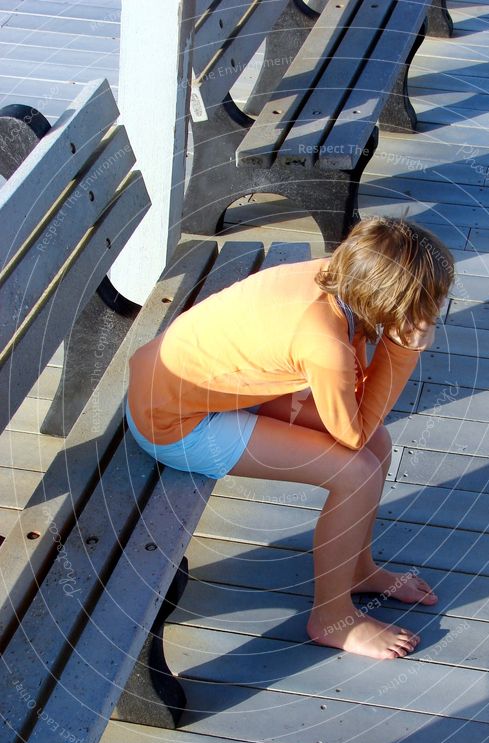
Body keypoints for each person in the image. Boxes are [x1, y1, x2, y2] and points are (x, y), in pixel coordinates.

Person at [126, 217, 454, 660]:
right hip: (174, 420)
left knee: (379, 445)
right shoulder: (324, 341)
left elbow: (362, 423)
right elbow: (352, 433)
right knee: (355, 472)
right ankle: (332, 617)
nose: (431, 316)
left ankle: (358, 568)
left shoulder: (339, 281)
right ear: (387, 303)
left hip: (200, 386)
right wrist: (404, 349)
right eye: (427, 306)